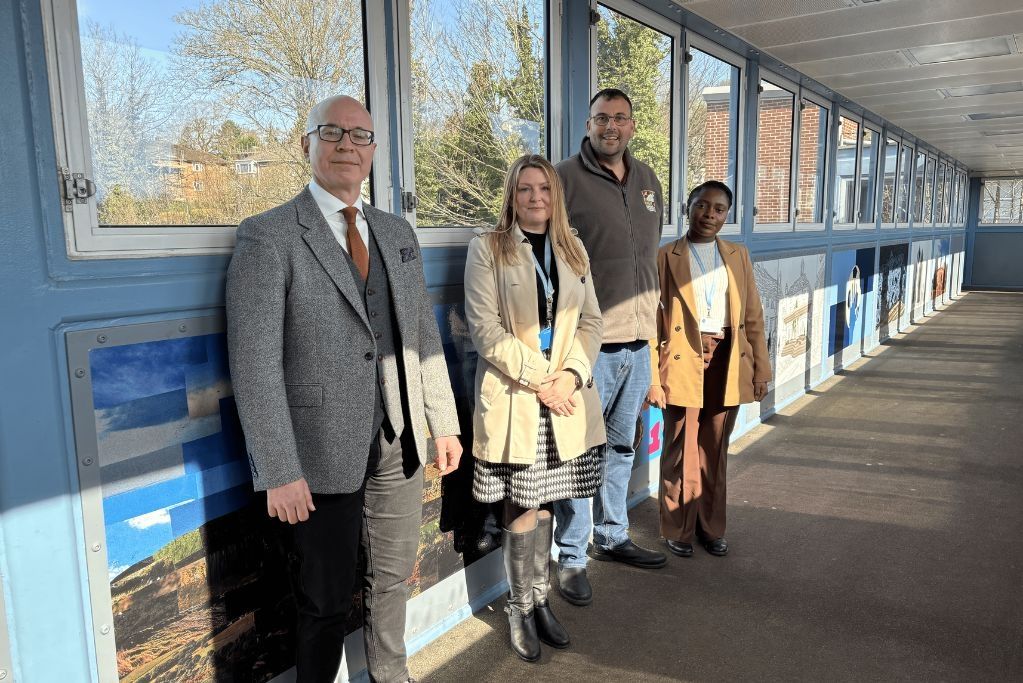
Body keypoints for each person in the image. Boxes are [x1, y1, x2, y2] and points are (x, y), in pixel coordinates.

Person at [225, 95, 462, 683]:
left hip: (399, 439)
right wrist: (278, 468)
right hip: (317, 448)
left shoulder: (395, 230)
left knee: (392, 577)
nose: (347, 146)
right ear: (304, 144)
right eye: (332, 133)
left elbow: (422, 333)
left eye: (360, 136)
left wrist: (445, 421)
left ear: (375, 152)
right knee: (323, 600)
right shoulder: (268, 236)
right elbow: (254, 363)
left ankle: (391, 675)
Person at [464, 154, 605, 662]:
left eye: (544, 189)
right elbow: (485, 329)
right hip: (517, 398)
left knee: (549, 499)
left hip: (564, 398)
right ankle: (518, 608)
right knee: (521, 502)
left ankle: (542, 600)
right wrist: (542, 378)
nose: (535, 198)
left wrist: (569, 376)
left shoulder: (573, 247)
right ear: (511, 194)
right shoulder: (488, 248)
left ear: (556, 195)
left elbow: (591, 323)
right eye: (525, 189)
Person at [553, 88, 667, 606]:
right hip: (589, 345)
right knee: (580, 453)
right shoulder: (562, 179)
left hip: (639, 343)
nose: (611, 127)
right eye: (602, 118)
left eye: (621, 118)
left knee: (622, 445)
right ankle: (572, 558)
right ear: (589, 122)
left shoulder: (649, 182)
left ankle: (614, 535)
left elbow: (648, 257)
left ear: (633, 127)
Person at [646, 181, 771, 558]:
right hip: (683, 357)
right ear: (688, 208)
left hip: (728, 357)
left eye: (718, 209)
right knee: (679, 448)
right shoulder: (665, 256)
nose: (709, 215)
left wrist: (761, 370)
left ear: (726, 215)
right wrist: (653, 378)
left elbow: (753, 316)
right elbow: (652, 321)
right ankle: (676, 529)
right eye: (702, 206)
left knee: (714, 449)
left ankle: (710, 527)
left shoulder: (738, 255)